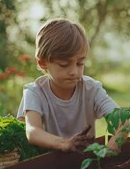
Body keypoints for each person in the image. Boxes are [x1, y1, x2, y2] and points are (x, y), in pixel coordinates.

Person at [17, 18, 119, 153]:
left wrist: (113, 145)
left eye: (80, 63)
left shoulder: (91, 89)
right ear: (42, 63)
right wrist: (65, 143)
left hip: (84, 160)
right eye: (64, 64)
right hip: (46, 163)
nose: (74, 72)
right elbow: (33, 131)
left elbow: (121, 118)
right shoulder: (35, 92)